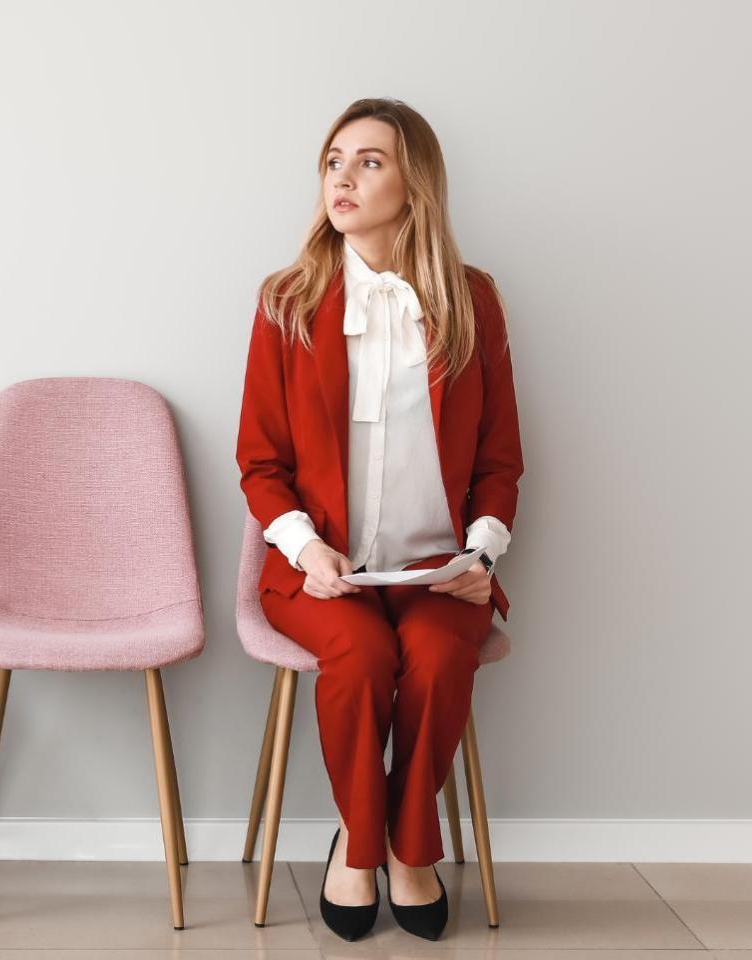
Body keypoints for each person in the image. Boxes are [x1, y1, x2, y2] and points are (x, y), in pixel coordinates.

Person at [235, 97, 524, 941]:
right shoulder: (288, 302)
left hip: (440, 571)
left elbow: (501, 458)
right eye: (334, 160)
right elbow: (260, 462)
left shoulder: (474, 301)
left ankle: (402, 847)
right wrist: (305, 547)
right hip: (322, 570)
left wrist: (482, 553)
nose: (344, 177)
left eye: (369, 161)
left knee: (435, 657)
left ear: (415, 183)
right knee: (358, 660)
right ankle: (370, 850)